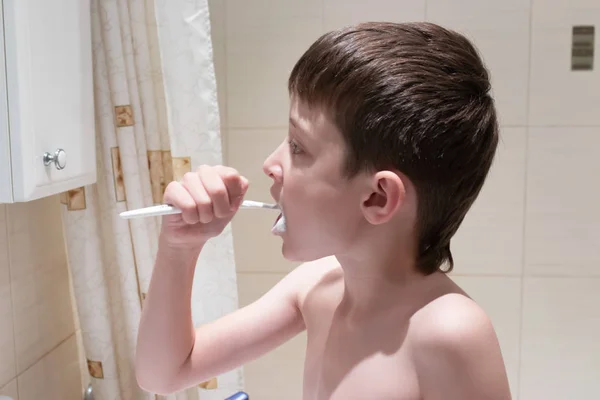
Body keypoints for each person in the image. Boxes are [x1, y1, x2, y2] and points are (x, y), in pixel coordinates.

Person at [135, 21, 512, 399]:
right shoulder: (318, 287)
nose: (270, 163)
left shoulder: (449, 331)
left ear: (377, 198)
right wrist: (179, 247)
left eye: (298, 147)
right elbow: (165, 374)